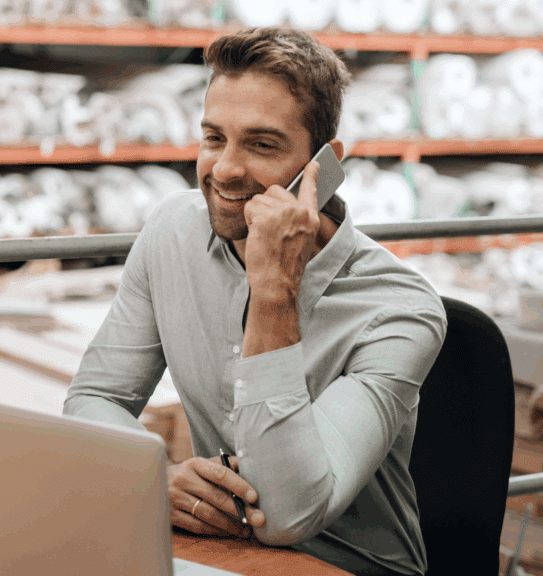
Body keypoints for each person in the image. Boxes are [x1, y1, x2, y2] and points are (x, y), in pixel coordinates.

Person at [63, 27, 446, 576]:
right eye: (214, 138)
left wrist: (274, 292)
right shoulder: (172, 231)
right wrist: (156, 476)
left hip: (348, 565)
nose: (224, 170)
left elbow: (291, 513)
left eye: (262, 145)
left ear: (324, 164)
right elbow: (94, 397)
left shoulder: (401, 309)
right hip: (222, 555)